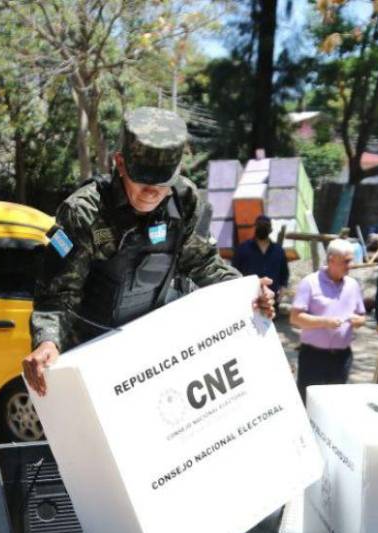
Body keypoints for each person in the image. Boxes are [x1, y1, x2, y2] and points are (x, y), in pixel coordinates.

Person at [23, 107, 274, 395]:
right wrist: (48, 341)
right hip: (94, 357)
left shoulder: (184, 200)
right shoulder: (84, 213)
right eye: (143, 179)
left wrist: (248, 291)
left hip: (153, 353)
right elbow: (57, 296)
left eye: (163, 182)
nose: (152, 192)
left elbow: (202, 263)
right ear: (120, 163)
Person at [290, 238, 367, 400]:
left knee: (334, 403)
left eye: (351, 261)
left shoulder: (352, 285)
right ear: (332, 260)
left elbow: (362, 316)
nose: (351, 265)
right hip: (313, 357)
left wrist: (358, 321)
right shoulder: (310, 283)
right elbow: (295, 318)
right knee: (308, 401)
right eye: (346, 261)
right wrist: (324, 322)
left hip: (341, 357)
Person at [233, 214, 290, 308]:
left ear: (270, 229)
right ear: (255, 227)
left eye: (265, 225)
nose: (262, 228)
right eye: (260, 225)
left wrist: (282, 291)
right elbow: (234, 272)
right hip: (249, 300)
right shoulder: (242, 249)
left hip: (271, 301)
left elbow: (284, 273)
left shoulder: (278, 250)